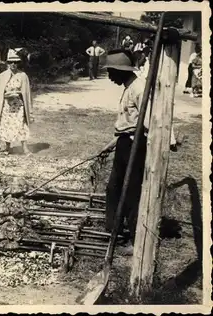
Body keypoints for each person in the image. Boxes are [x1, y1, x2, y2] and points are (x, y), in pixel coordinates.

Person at [98, 50, 178, 255]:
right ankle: (114, 230)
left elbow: (151, 119)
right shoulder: (128, 87)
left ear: (119, 71)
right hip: (125, 143)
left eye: (110, 73)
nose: (109, 77)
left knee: (132, 192)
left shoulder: (139, 88)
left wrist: (167, 140)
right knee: (114, 188)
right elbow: (127, 123)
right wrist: (112, 143)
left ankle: (136, 240)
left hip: (136, 145)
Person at [0, 49, 33, 155]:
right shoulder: (2, 76)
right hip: (6, 105)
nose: (13, 64)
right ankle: (7, 147)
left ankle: (25, 148)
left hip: (18, 105)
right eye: (11, 62)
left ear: (18, 63)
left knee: (21, 125)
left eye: (15, 62)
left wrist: (18, 95)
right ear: (8, 63)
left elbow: (27, 93)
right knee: (6, 124)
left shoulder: (23, 76)